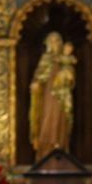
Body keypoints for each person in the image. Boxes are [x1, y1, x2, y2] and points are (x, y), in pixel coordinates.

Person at [29, 32, 75, 160]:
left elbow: (71, 77)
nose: (55, 44)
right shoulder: (45, 58)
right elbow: (39, 75)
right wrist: (35, 83)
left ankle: (60, 147)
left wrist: (67, 75)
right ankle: (45, 150)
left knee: (61, 118)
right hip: (47, 93)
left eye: (57, 41)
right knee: (47, 118)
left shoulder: (65, 59)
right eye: (52, 41)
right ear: (47, 43)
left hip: (61, 95)